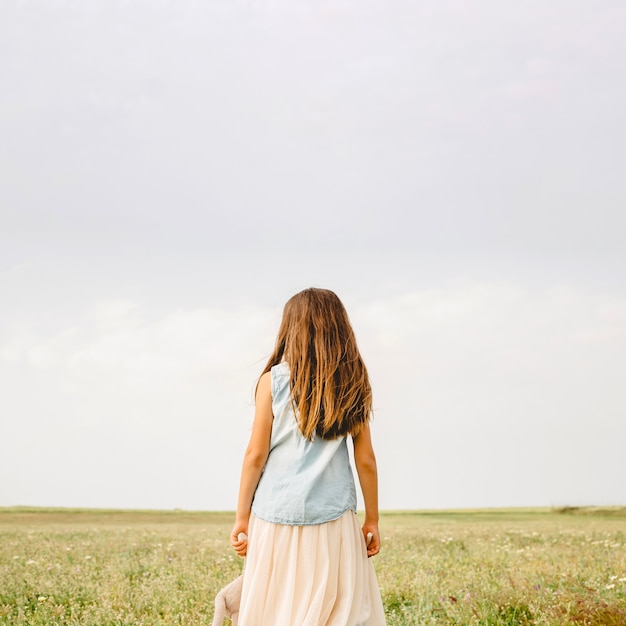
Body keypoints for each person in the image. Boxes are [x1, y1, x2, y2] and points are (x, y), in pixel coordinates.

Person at [230, 287, 387, 625]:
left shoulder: (273, 382)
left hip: (275, 515)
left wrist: (242, 516)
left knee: (276, 608)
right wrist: (371, 519)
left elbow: (255, 454)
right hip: (334, 517)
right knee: (339, 610)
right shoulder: (354, 380)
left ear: (290, 329)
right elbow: (366, 461)